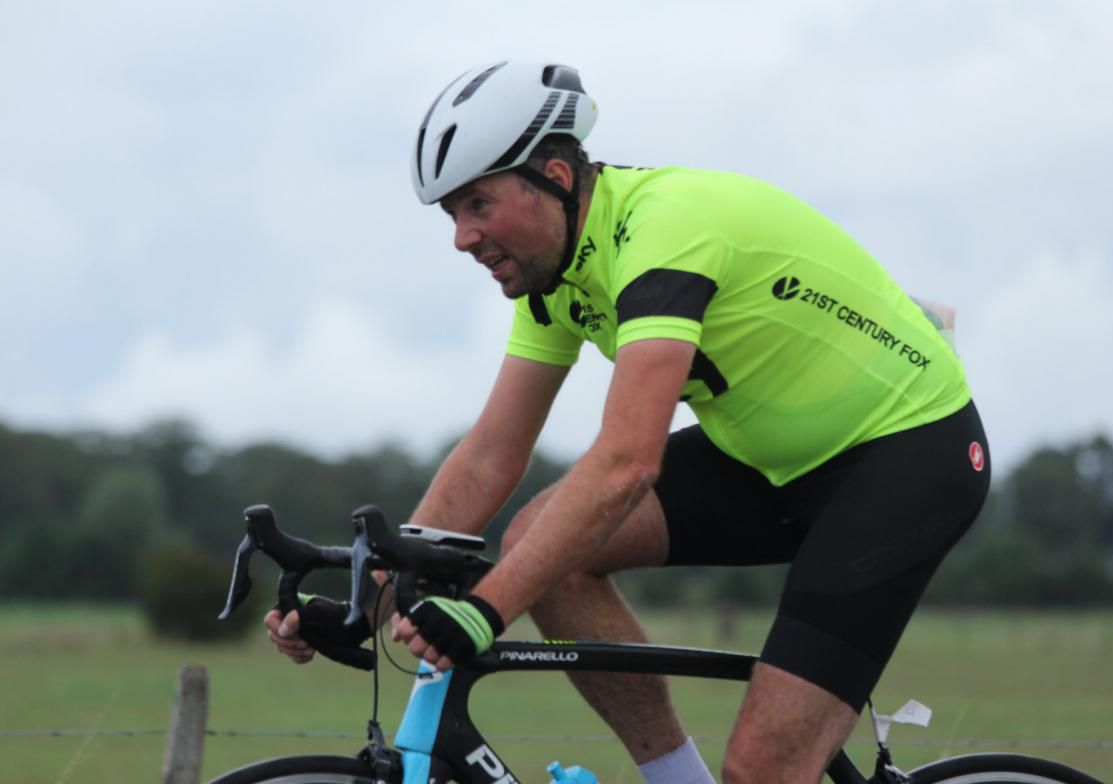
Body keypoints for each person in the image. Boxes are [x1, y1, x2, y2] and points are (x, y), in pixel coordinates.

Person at [266, 61, 991, 783]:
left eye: (478, 204)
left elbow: (627, 462)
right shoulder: (554, 278)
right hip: (769, 462)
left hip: (904, 457)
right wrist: (365, 603)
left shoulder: (663, 232)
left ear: (554, 176)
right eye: (451, 214)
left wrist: (486, 609)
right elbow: (491, 453)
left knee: (761, 771)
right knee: (546, 546)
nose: (462, 236)